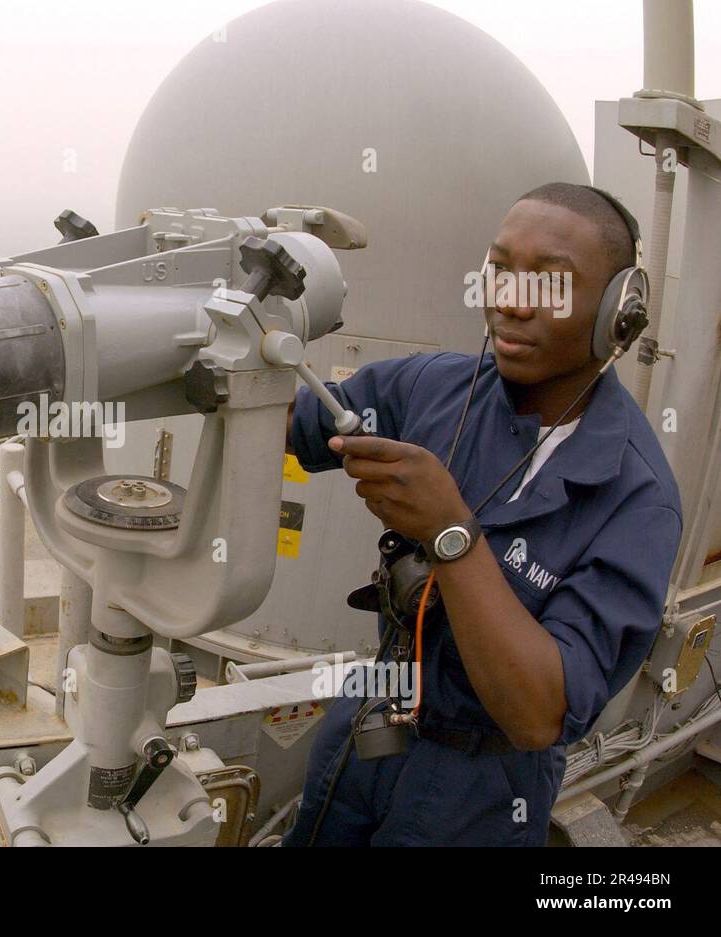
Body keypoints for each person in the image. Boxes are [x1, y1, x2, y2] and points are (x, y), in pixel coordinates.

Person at [281, 182, 682, 846]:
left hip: (480, 791)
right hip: (370, 725)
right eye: (499, 270)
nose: (509, 302)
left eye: (550, 282)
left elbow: (536, 712)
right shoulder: (434, 388)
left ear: (618, 313)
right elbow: (290, 425)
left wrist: (451, 535)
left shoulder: (637, 500)